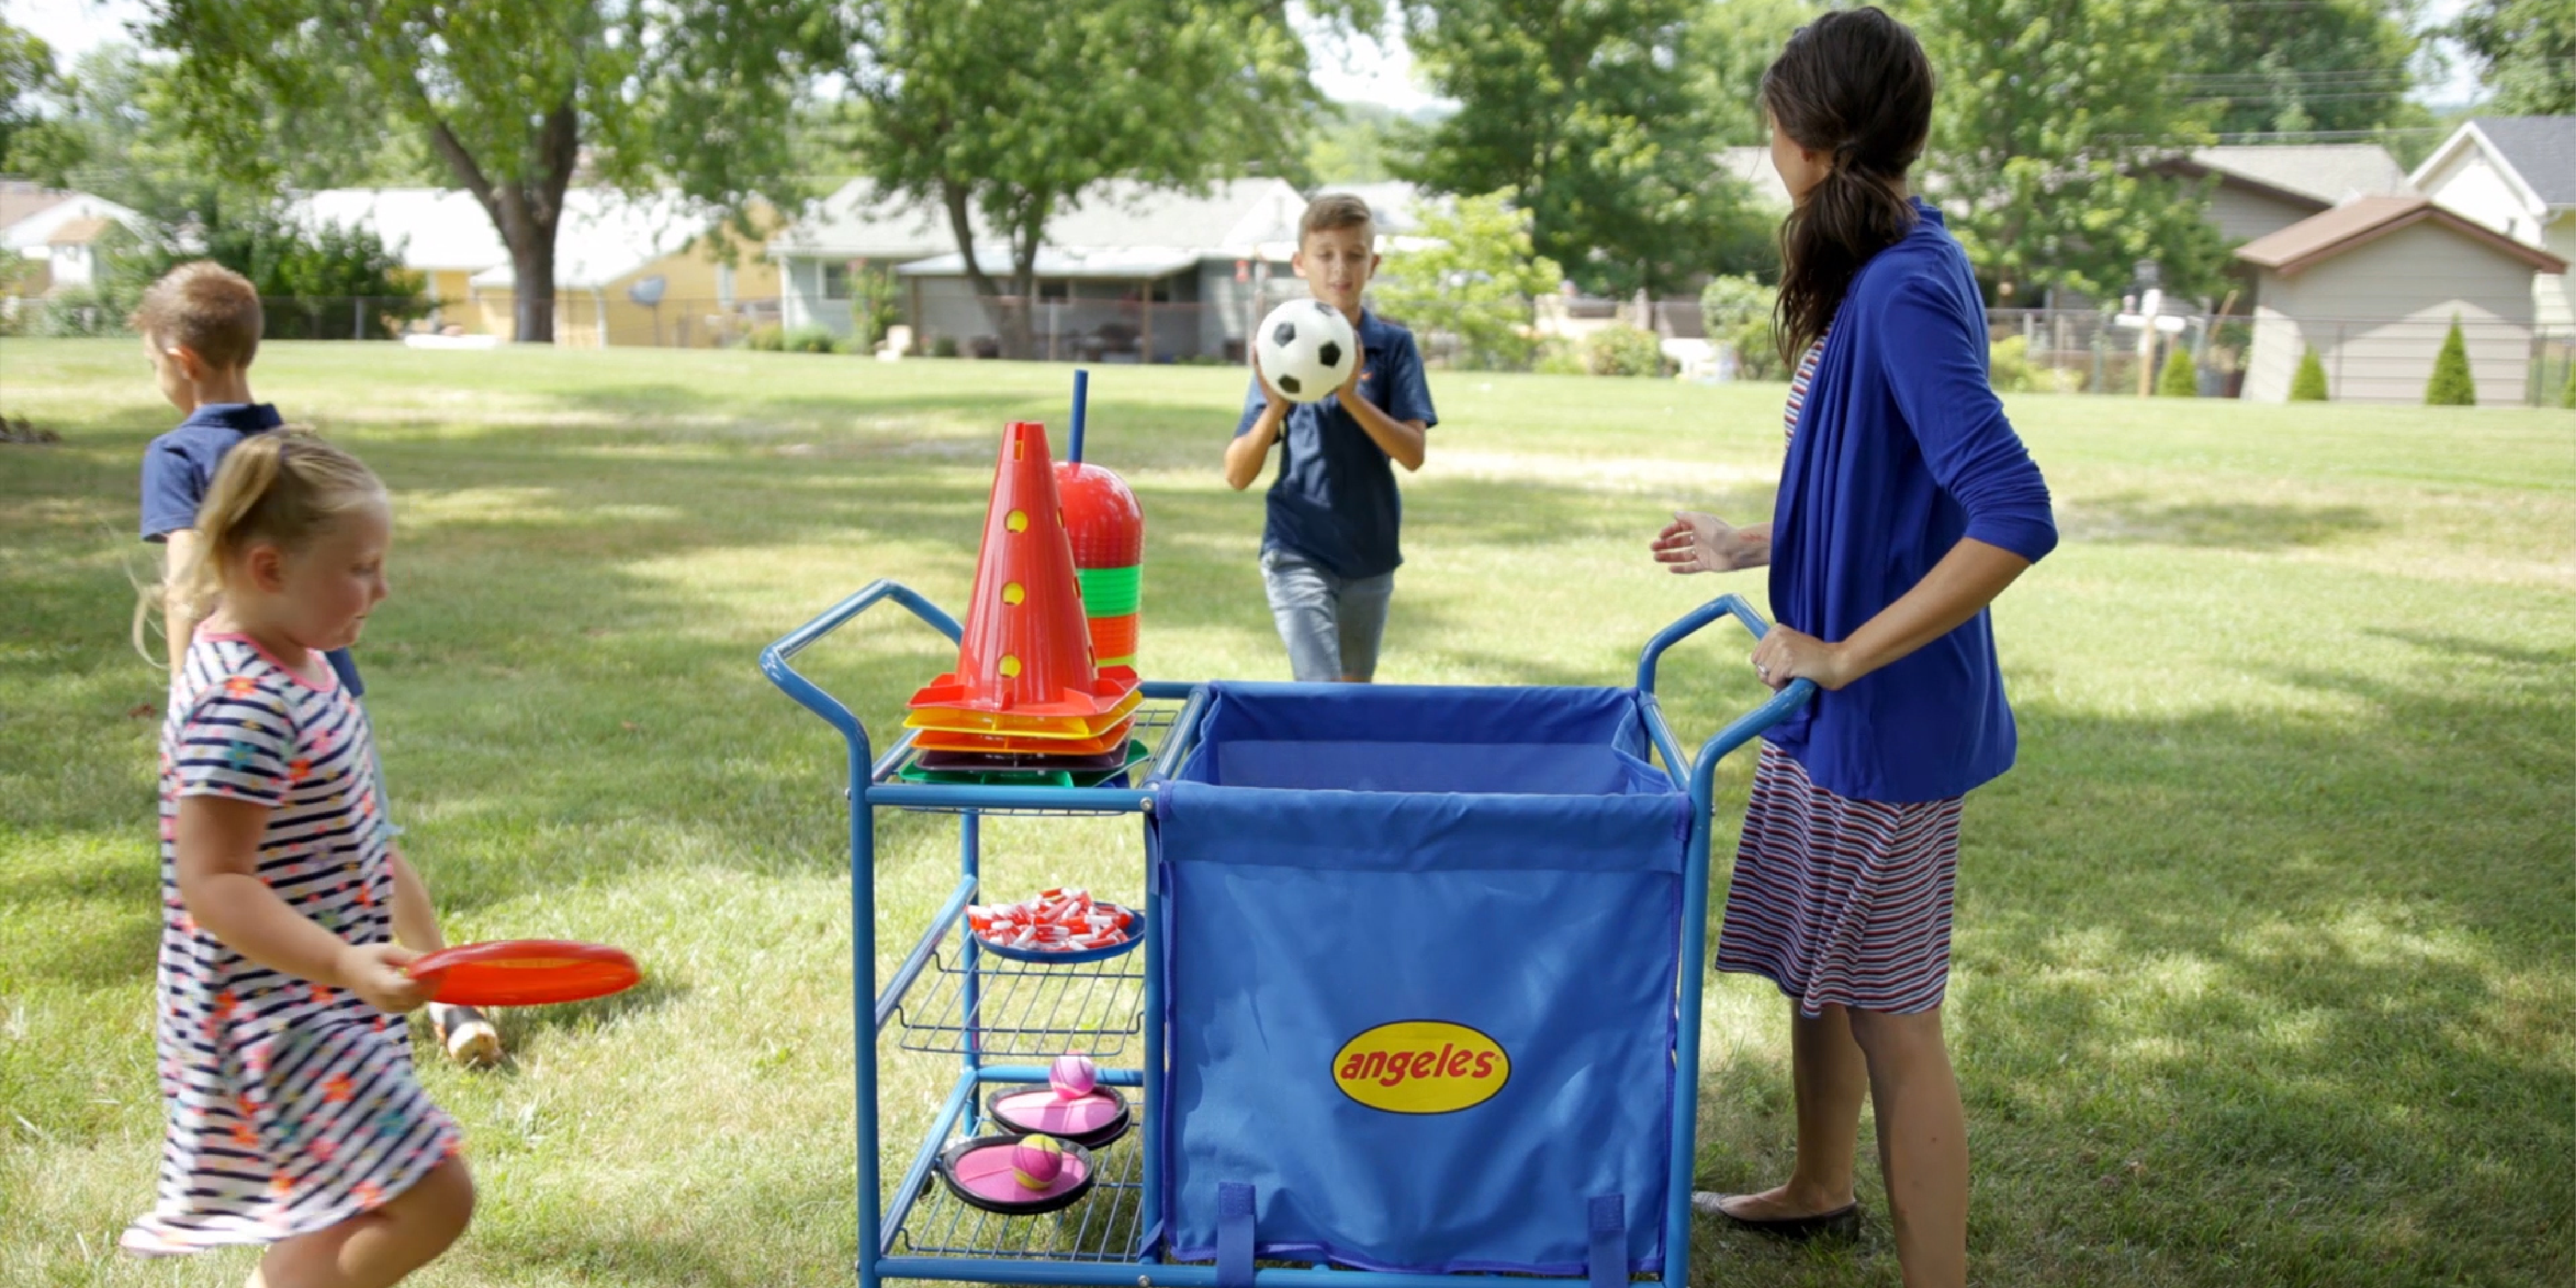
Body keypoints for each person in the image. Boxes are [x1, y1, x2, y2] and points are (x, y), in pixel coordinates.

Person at [1649, 10, 2057, 1286]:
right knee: (1813, 972)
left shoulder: (1904, 285)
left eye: (1774, 122)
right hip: (1825, 710)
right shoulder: (1884, 258)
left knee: (1894, 1018)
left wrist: (1841, 654)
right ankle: (1818, 1183)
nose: (1766, 144)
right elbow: (1874, 482)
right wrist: (1748, 542)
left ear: (1814, 140)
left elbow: (2010, 514)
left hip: (1881, 721)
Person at [123, 431, 476, 1286]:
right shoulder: (241, 704)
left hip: (323, 997)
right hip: (271, 1016)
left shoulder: (305, 665)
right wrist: (342, 960)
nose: (382, 588)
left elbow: (353, 832)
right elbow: (213, 884)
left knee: (357, 1199)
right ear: (270, 568)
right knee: (433, 1192)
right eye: (360, 567)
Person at [133, 261, 499, 1066]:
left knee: (315, 846)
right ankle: (447, 990)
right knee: (369, 835)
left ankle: (365, 979)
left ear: (178, 355)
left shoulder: (177, 453)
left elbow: (185, 584)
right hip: (318, 672)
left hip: (273, 677)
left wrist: (183, 691)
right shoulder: (285, 443)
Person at [1224, 193, 1437, 683]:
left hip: (1370, 551)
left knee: (1352, 696)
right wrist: (1276, 402)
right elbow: (1236, 473)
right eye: (1325, 255)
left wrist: (1351, 395)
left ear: (1373, 263)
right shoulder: (1281, 343)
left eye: (1354, 255)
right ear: (1301, 263)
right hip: (1295, 546)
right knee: (1317, 689)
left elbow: (1412, 454)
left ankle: (1344, 763)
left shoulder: (1394, 346)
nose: (1340, 268)